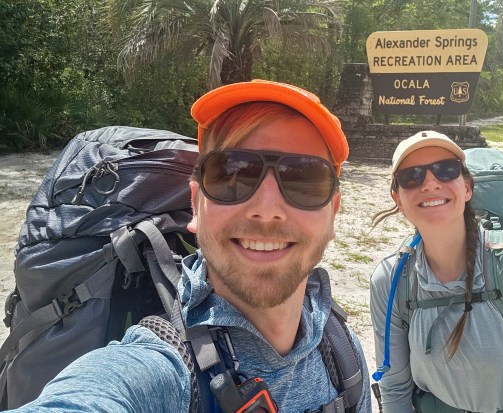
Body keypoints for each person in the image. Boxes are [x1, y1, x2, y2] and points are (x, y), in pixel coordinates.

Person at [9, 80, 371, 412]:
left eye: (304, 179)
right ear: (195, 204)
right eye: (232, 173)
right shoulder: (156, 370)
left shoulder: (342, 350)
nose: (267, 209)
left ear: (332, 214)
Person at [369, 131, 503, 412]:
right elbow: (394, 386)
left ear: (466, 188)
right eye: (411, 176)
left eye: (445, 170)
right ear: (398, 198)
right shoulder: (391, 280)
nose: (430, 183)